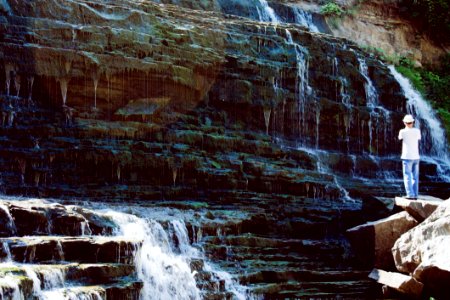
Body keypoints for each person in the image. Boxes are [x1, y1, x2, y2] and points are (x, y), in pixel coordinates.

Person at [398, 114, 421, 199]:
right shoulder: (417, 131)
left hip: (407, 156)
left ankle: (410, 194)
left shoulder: (402, 131)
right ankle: (415, 194)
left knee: (407, 176)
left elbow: (399, 138)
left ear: (404, 122)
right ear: (413, 122)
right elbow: (418, 138)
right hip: (416, 156)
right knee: (415, 176)